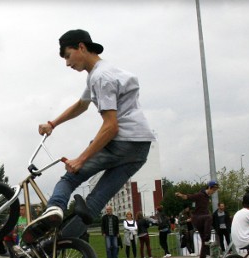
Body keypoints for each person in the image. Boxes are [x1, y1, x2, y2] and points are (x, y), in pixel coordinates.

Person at [21, 29, 155, 244]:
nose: (67, 63)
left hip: (121, 141)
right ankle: (53, 245)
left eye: (67, 56)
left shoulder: (101, 78)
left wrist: (81, 159)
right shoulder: (102, 73)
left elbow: (111, 127)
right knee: (95, 202)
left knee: (70, 177)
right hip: (140, 148)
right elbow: (82, 105)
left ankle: (54, 209)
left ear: (81, 47)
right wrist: (53, 123)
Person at [175, 180, 220, 258]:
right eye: (213, 190)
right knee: (209, 217)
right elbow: (188, 197)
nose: (213, 193)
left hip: (202, 219)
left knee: (204, 241)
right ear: (210, 188)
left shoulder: (207, 197)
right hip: (197, 218)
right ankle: (208, 241)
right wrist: (181, 195)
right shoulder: (200, 195)